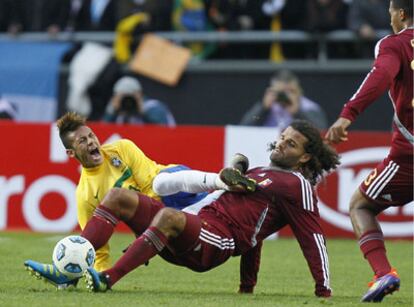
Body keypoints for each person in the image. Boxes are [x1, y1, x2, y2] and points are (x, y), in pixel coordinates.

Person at [77, 120, 339, 297]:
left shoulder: (298, 186)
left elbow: (312, 237)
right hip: (192, 228)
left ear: (305, 157)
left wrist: (323, 290)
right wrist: (247, 287)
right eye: (283, 138)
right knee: (117, 197)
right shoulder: (260, 172)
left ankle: (108, 278)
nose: (281, 143)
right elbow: (256, 236)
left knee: (168, 215)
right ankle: (69, 270)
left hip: (217, 242)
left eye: (291, 144)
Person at [24, 112, 255, 288]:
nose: (92, 142)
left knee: (160, 182)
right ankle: (68, 274)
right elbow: (98, 250)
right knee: (120, 197)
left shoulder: (121, 149)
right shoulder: (85, 194)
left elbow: (150, 186)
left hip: (182, 196)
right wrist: (98, 272)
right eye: (82, 141)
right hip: (171, 226)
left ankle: (222, 180)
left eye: (91, 135)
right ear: (71, 153)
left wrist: (144, 232)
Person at [325, 0, 413, 302]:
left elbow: (381, 76)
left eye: (391, 12)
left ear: (401, 14)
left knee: (361, 205)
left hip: (410, 156)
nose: (390, 18)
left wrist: (348, 113)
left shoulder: (395, 44)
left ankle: (383, 272)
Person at [240, 70, 328, 130]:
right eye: (282, 92)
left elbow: (321, 132)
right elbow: (244, 128)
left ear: (299, 91)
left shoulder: (309, 107)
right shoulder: (269, 105)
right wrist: (263, 108)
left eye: (291, 91)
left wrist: (297, 113)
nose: (286, 96)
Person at [103, 76, 176, 126]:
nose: (127, 101)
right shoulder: (118, 112)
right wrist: (111, 111)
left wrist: (143, 111)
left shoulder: (153, 107)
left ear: (139, 94)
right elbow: (103, 134)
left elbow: (165, 131)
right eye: (122, 97)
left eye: (130, 95)